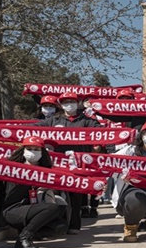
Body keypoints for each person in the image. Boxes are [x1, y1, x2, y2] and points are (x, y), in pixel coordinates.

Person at [34, 92, 102, 234]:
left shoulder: (88, 121)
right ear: (61, 104)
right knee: (53, 194)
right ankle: (54, 223)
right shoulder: (53, 120)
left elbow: (102, 135)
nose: (69, 104)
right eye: (65, 102)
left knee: (75, 195)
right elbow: (33, 128)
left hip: (77, 165)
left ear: (77, 104)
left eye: (72, 101)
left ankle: (74, 225)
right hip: (56, 164)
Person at [2, 136, 66, 248]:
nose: (33, 152)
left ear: (42, 152)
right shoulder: (13, 168)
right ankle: (24, 238)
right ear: (23, 150)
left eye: (36, 149)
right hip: (14, 209)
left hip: (34, 207)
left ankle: (33, 230)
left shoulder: (46, 171)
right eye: (29, 149)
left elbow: (68, 181)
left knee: (60, 226)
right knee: (51, 208)